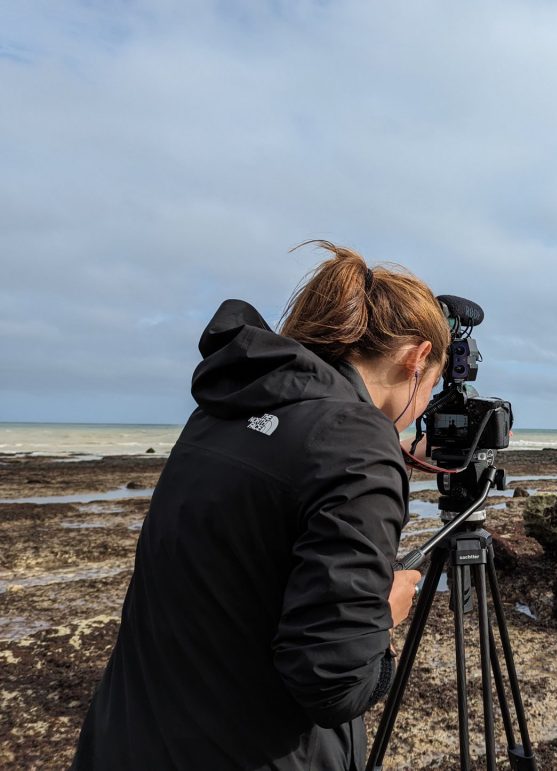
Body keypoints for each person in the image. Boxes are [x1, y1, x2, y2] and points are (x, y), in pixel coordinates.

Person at [71, 241, 450, 770]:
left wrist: (386, 463)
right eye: (434, 384)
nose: (428, 403)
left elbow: (263, 514)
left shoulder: (229, 406)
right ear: (417, 358)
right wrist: (382, 615)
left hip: (127, 736)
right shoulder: (357, 441)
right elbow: (334, 684)